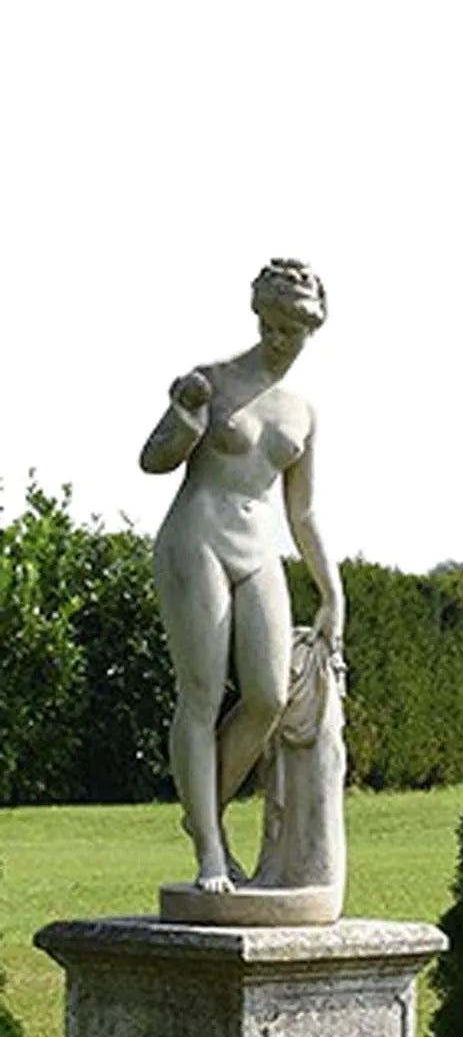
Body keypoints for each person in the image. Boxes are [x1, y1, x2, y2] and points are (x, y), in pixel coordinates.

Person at [140, 259, 344, 892]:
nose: (281, 339)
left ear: (312, 329)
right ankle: (210, 849)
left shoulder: (302, 412)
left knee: (267, 698)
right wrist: (186, 421)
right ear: (258, 317)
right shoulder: (213, 380)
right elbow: (153, 460)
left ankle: (201, 812)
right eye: (273, 325)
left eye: (295, 329)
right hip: (196, 538)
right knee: (200, 694)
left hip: (259, 551)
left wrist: (333, 592)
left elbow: (303, 513)